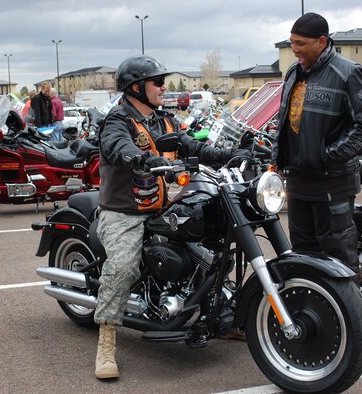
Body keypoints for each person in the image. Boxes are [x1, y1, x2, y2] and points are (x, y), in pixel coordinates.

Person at [94, 55, 250, 380]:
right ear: (136, 87)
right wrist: (141, 159)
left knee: (213, 243)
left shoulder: (163, 120)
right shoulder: (117, 120)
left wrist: (231, 154)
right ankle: (107, 340)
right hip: (125, 211)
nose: (164, 87)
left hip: (162, 205)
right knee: (123, 267)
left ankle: (222, 315)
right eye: (158, 82)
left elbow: (191, 146)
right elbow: (116, 146)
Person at [272, 12, 362, 275]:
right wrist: (277, 160)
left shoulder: (348, 72)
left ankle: (349, 314)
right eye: (291, 42)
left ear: (321, 42)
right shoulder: (293, 73)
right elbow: (286, 122)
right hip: (298, 183)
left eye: (300, 43)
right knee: (302, 256)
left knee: (338, 257)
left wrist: (327, 156)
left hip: (332, 184)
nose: (294, 49)